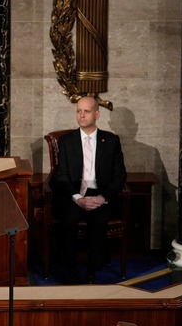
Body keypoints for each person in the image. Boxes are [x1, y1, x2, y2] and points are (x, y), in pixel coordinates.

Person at [50, 96, 127, 284]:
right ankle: (71, 269)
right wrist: (78, 198)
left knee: (99, 220)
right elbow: (61, 176)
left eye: (86, 111)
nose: (81, 115)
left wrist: (102, 197)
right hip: (74, 194)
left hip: (100, 195)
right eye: (78, 111)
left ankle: (92, 271)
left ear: (97, 114)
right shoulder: (66, 141)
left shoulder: (110, 141)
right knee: (69, 219)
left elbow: (120, 175)